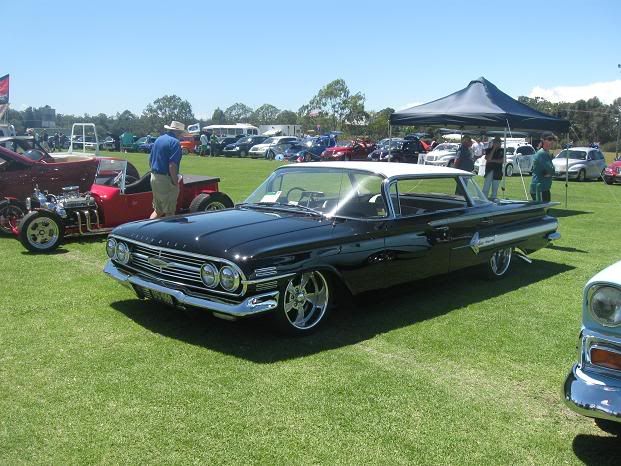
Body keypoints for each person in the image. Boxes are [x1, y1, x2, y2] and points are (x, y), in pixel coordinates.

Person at [149, 120, 185, 219]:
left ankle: (148, 230)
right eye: (181, 133)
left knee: (158, 210)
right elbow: (172, 165)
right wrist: (175, 182)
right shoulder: (175, 143)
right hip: (166, 180)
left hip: (154, 177)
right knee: (170, 212)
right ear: (178, 132)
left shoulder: (158, 140)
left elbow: (150, 160)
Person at [530, 131, 557, 202]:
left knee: (545, 210)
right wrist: (550, 173)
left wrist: (550, 173)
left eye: (553, 139)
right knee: (542, 211)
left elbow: (551, 171)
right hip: (539, 188)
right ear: (543, 140)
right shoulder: (542, 154)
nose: (551, 141)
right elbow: (552, 170)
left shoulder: (547, 153)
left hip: (544, 188)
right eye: (549, 139)